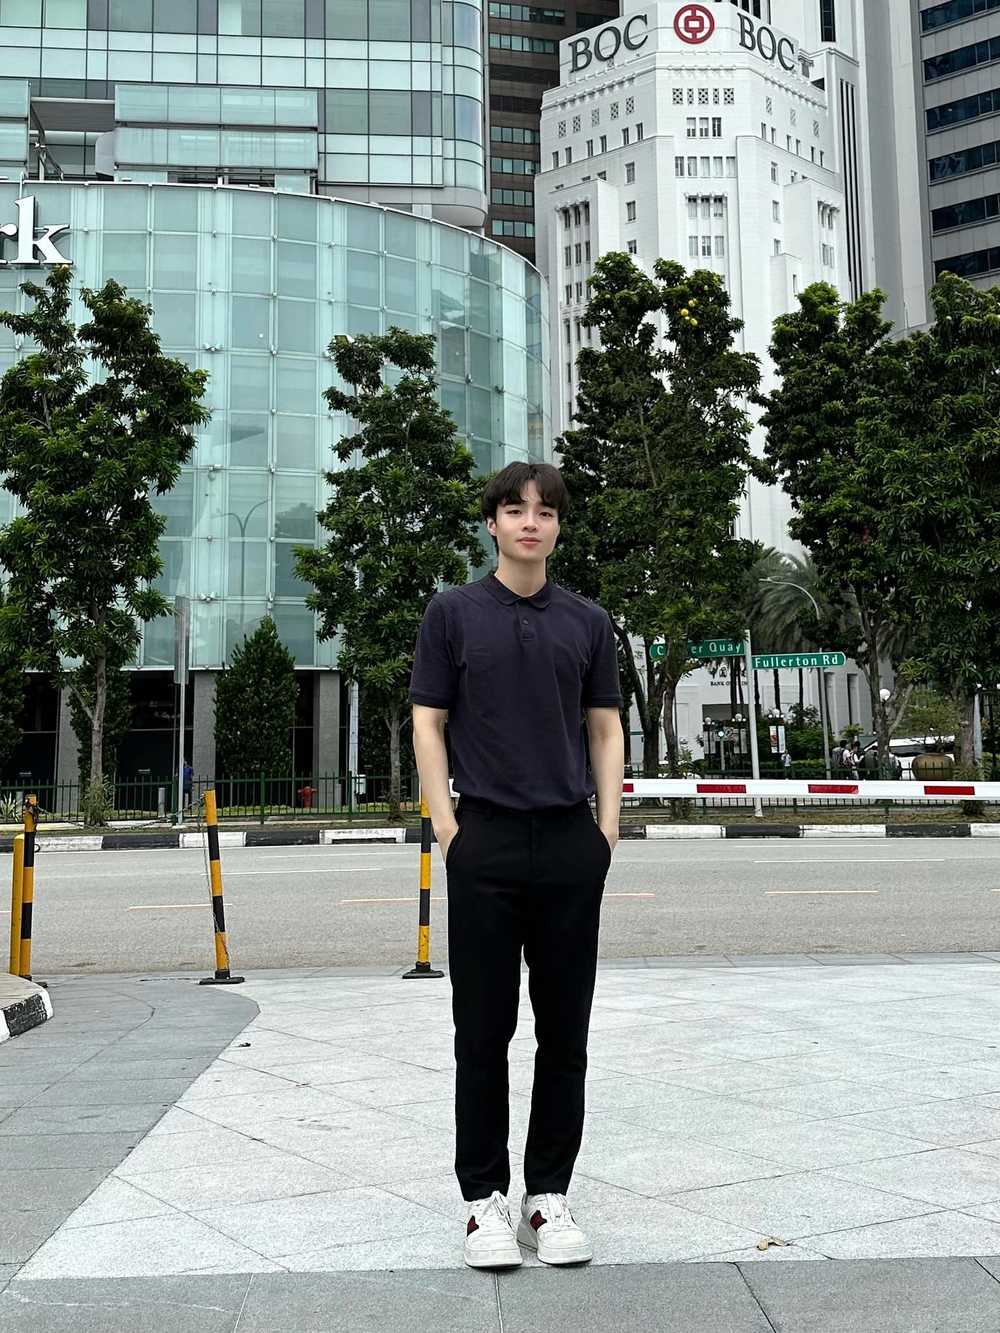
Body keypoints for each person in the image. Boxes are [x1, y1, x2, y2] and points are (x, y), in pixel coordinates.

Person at [409, 461, 624, 1272]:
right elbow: (428, 721)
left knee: (565, 1031)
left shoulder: (588, 622)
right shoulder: (453, 613)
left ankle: (547, 1196)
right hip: (486, 842)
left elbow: (604, 727)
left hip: (570, 842)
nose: (530, 522)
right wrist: (447, 828)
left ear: (559, 526)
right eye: (514, 509)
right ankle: (483, 1201)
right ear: (492, 523)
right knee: (482, 1031)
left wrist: (606, 831)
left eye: (545, 511)